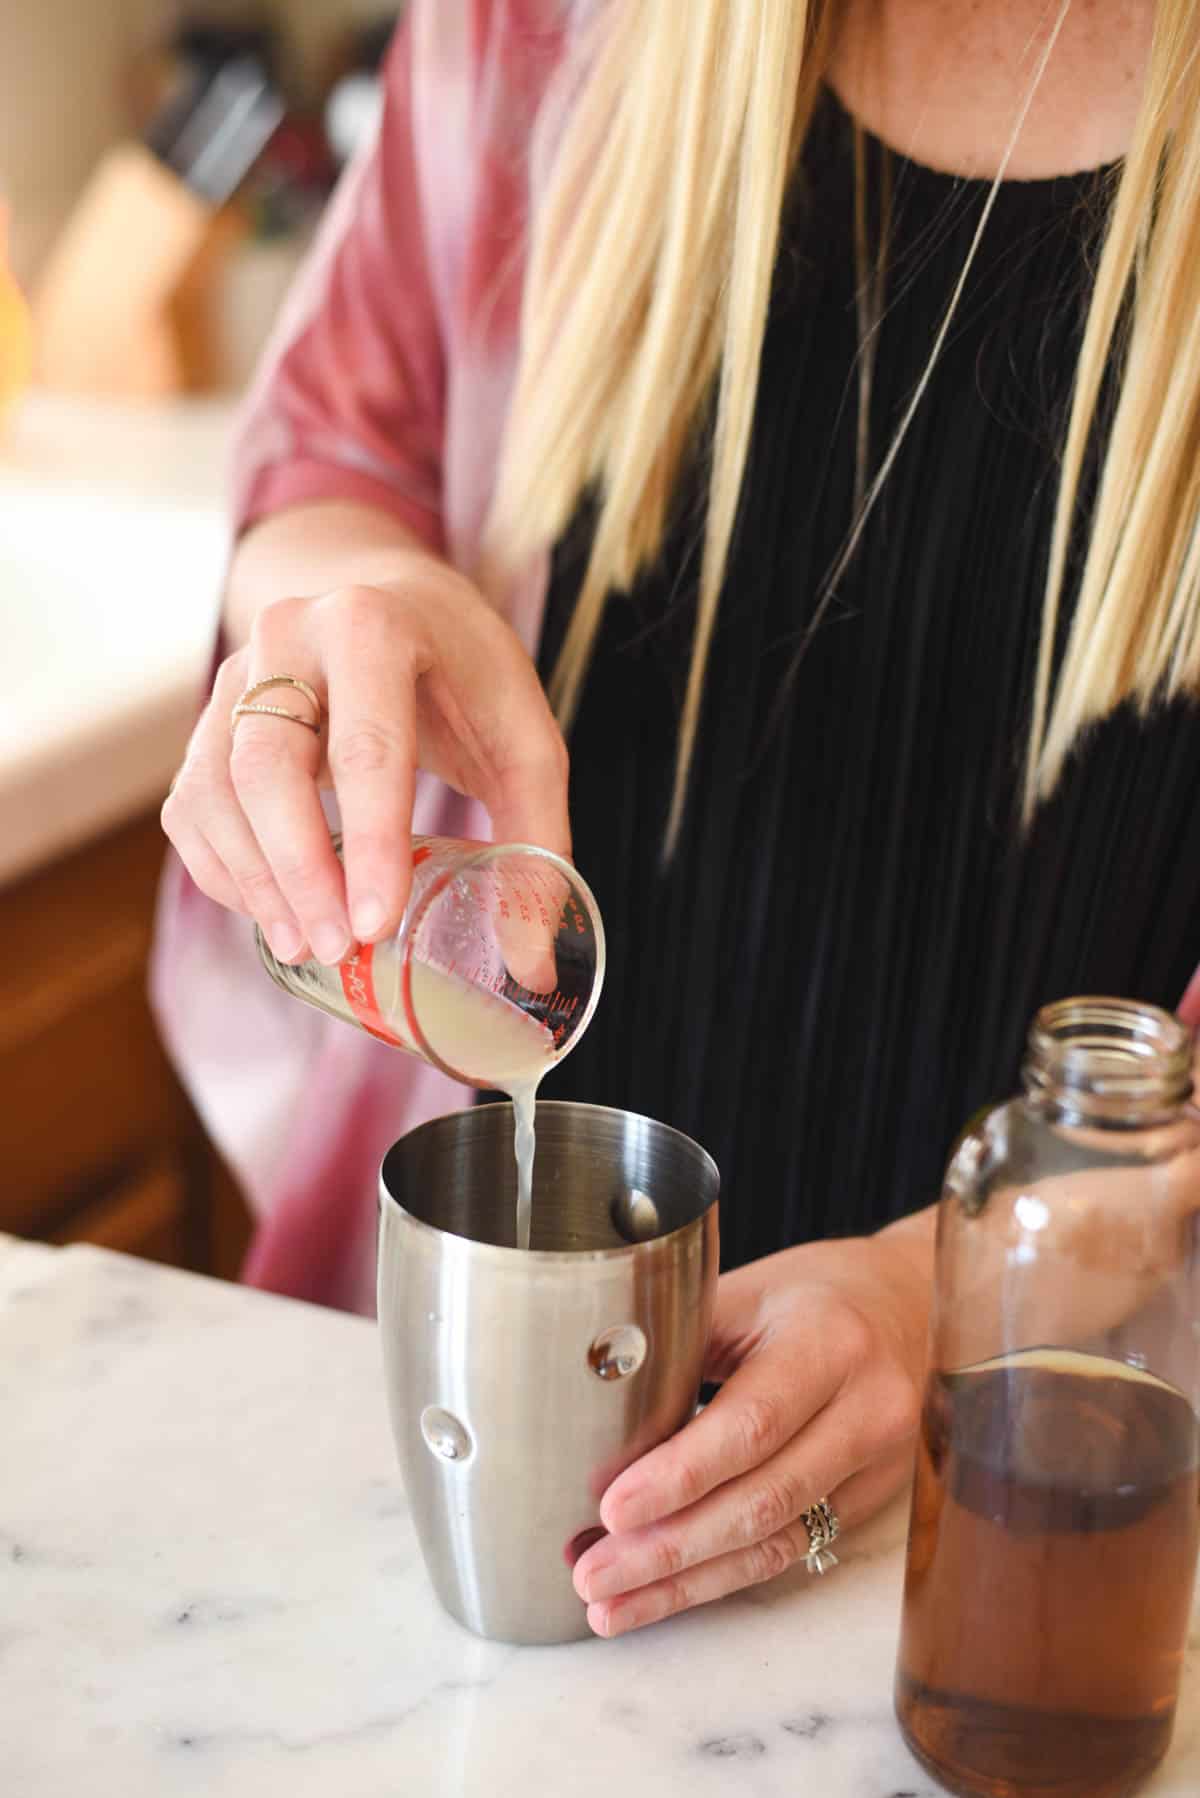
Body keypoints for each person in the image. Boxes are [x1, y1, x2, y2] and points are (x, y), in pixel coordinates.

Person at [156, 0, 1200, 1638]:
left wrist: (960, 1286)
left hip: (1044, 1558)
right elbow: (335, 449)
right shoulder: (539, 31)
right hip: (444, 1521)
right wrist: (347, 601)